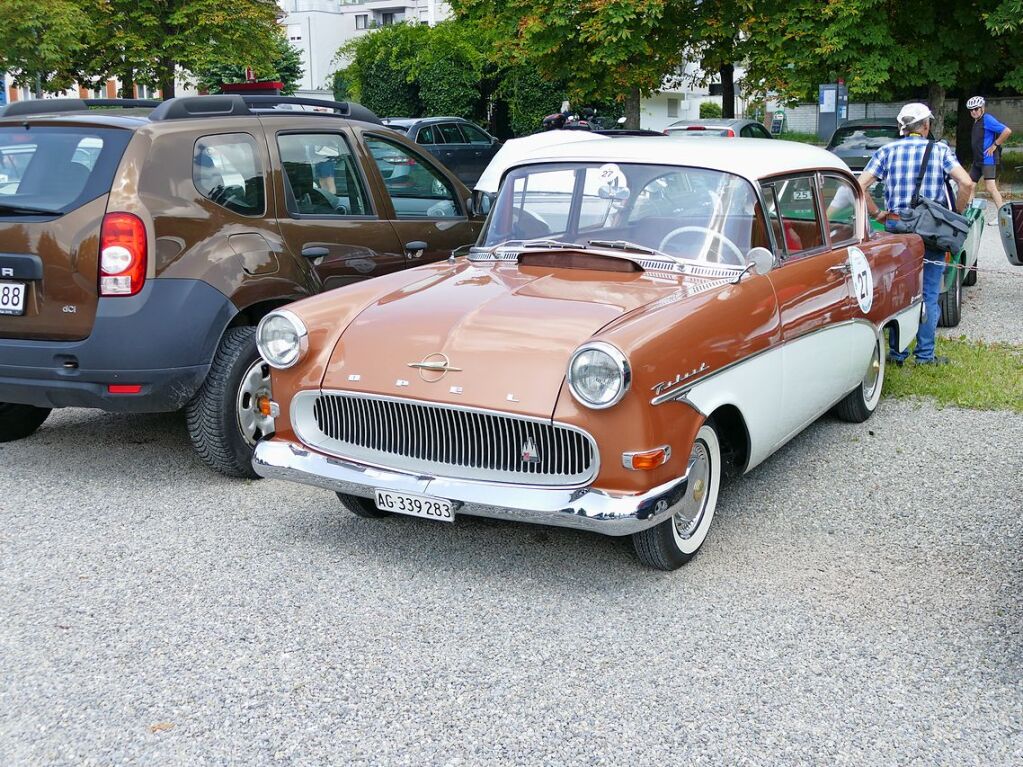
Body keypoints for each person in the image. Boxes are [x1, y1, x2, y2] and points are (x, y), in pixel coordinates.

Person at [857, 102, 975, 367]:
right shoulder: (940, 151)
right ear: (925, 126)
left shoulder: (886, 151)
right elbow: (966, 183)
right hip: (930, 230)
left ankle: (896, 353)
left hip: (897, 228)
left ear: (903, 127)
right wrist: (954, 213)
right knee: (929, 292)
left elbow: (860, 185)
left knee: (898, 292)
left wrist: (877, 213)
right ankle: (925, 355)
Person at [966, 96, 1012, 221]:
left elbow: (1007, 131)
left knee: (990, 187)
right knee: (969, 186)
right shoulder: (977, 121)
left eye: (976, 109)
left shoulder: (988, 119)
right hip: (978, 160)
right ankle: (969, 214)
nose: (974, 111)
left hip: (987, 160)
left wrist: (995, 145)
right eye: (971, 110)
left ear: (982, 108)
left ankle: (1003, 217)